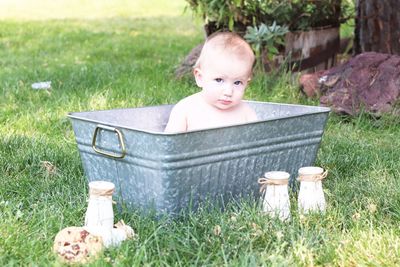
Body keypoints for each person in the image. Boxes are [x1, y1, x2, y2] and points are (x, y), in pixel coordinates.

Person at [164, 31, 257, 133]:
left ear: (247, 83)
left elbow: (257, 142)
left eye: (237, 82)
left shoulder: (246, 113)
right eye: (219, 80)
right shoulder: (185, 110)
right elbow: (169, 144)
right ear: (200, 78)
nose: (228, 92)